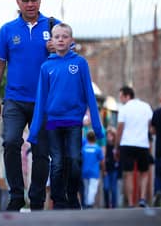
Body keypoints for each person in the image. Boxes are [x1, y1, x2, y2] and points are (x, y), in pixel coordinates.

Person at [0, 0, 58, 211]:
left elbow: (71, 58)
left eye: (34, 0)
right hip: (14, 100)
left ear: (40, 2)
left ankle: (37, 199)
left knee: (41, 151)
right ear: (18, 3)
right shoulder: (8, 30)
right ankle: (16, 195)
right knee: (10, 142)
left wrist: (57, 49)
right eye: (26, 0)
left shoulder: (53, 26)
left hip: (45, 101)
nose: (30, 4)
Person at [28, 23, 104, 210]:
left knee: (75, 160)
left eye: (64, 36)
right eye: (57, 36)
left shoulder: (80, 63)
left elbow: (89, 94)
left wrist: (97, 126)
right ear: (51, 41)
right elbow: (41, 100)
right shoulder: (46, 67)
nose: (60, 39)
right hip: (53, 122)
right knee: (58, 163)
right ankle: (58, 200)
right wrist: (34, 131)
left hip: (73, 122)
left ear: (71, 40)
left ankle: (72, 195)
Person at [115, 86, 153, 208]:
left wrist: (117, 146)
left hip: (127, 144)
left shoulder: (124, 108)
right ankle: (142, 198)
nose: (120, 99)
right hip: (143, 143)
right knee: (144, 172)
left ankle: (131, 202)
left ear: (127, 96)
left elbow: (120, 128)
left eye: (121, 96)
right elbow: (150, 126)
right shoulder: (146, 106)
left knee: (128, 173)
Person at [81, 130, 104, 209]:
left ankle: (86, 203)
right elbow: (102, 161)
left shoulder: (83, 148)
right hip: (94, 172)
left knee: (86, 188)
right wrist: (103, 170)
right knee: (93, 188)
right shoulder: (98, 148)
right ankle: (89, 203)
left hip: (84, 171)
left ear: (87, 138)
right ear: (95, 138)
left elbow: (81, 159)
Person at [102, 127, 120, 208]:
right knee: (105, 188)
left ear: (114, 136)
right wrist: (103, 169)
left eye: (111, 135)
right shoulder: (104, 146)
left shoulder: (116, 147)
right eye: (108, 135)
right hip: (106, 170)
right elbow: (102, 159)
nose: (109, 137)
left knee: (113, 189)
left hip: (114, 170)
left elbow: (119, 159)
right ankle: (107, 205)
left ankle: (114, 206)